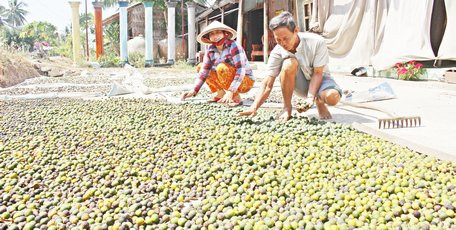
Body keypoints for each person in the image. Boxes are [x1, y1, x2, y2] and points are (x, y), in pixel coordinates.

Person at [239, 11, 342, 121]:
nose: (282, 43)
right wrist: (254, 107)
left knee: (332, 97)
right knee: (289, 63)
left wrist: (310, 97)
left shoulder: (316, 42)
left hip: (321, 80)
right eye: (278, 39)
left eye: (286, 38)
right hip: (301, 86)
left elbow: (318, 73)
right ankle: (287, 108)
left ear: (296, 30)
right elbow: (267, 84)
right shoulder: (277, 52)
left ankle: (319, 101)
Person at [181, 21, 255, 106]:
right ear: (208, 37)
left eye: (218, 32)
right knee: (200, 66)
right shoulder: (210, 50)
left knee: (221, 67)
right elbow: (204, 71)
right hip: (228, 79)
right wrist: (194, 91)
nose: (215, 36)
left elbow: (241, 70)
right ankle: (220, 94)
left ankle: (235, 97)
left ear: (225, 34)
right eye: (211, 34)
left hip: (245, 81)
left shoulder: (234, 46)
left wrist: (231, 91)